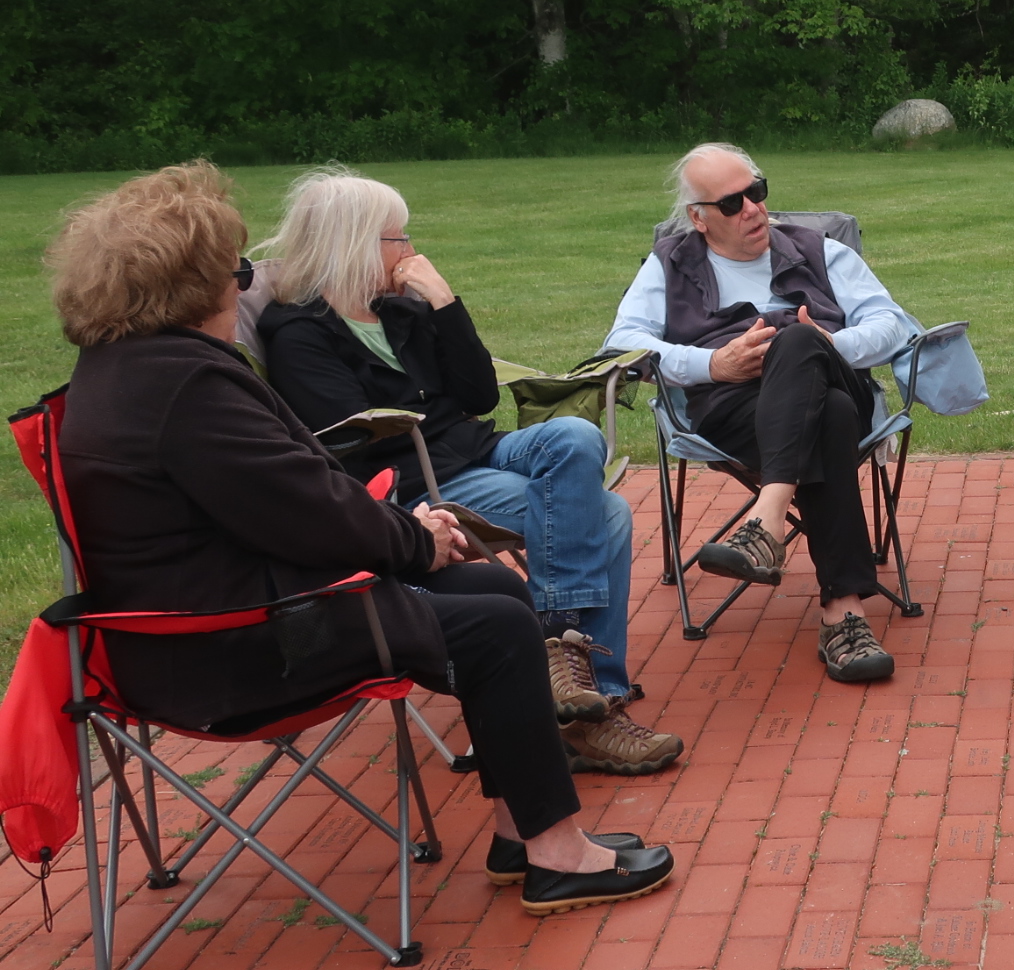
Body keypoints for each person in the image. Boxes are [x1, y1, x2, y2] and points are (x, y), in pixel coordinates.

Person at [47, 163, 672, 914]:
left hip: (196, 624)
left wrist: (411, 537)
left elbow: (292, 496)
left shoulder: (128, 370)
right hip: (235, 647)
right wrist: (415, 541)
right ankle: (558, 853)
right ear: (194, 286)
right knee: (497, 623)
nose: (244, 286)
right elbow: (307, 507)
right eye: (238, 271)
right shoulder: (190, 386)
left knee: (494, 588)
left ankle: (525, 833)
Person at [255, 169, 683, 778]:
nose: (409, 252)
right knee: (608, 513)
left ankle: (563, 663)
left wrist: (444, 301)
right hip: (416, 479)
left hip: (471, 448)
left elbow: (479, 395)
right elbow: (350, 436)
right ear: (353, 244)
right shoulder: (299, 333)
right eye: (397, 240)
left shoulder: (397, 311)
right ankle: (593, 702)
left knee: (576, 435)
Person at [604, 143, 914, 685]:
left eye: (757, 192)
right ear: (698, 219)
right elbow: (623, 343)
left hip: (834, 375)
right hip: (734, 410)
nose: (752, 209)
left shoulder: (820, 251)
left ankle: (766, 520)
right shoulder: (670, 264)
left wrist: (829, 345)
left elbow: (891, 323)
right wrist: (712, 363)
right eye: (731, 203)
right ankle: (844, 617)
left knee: (798, 341)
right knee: (831, 416)